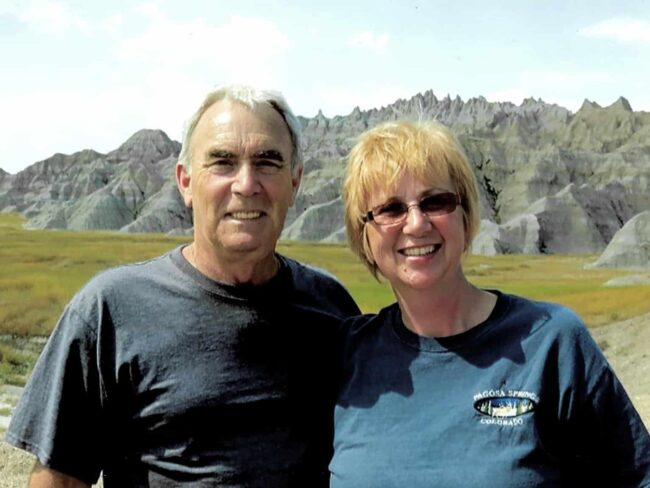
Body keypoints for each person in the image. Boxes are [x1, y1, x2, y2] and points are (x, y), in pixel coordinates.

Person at [6, 85, 360, 487]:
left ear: (295, 182)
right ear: (186, 182)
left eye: (267, 162)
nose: (246, 184)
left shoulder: (331, 309)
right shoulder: (110, 311)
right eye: (223, 162)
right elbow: (60, 480)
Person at [330, 120, 650, 486]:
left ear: (465, 215)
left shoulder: (553, 344)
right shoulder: (345, 354)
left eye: (436, 202)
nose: (417, 224)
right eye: (391, 209)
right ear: (364, 236)